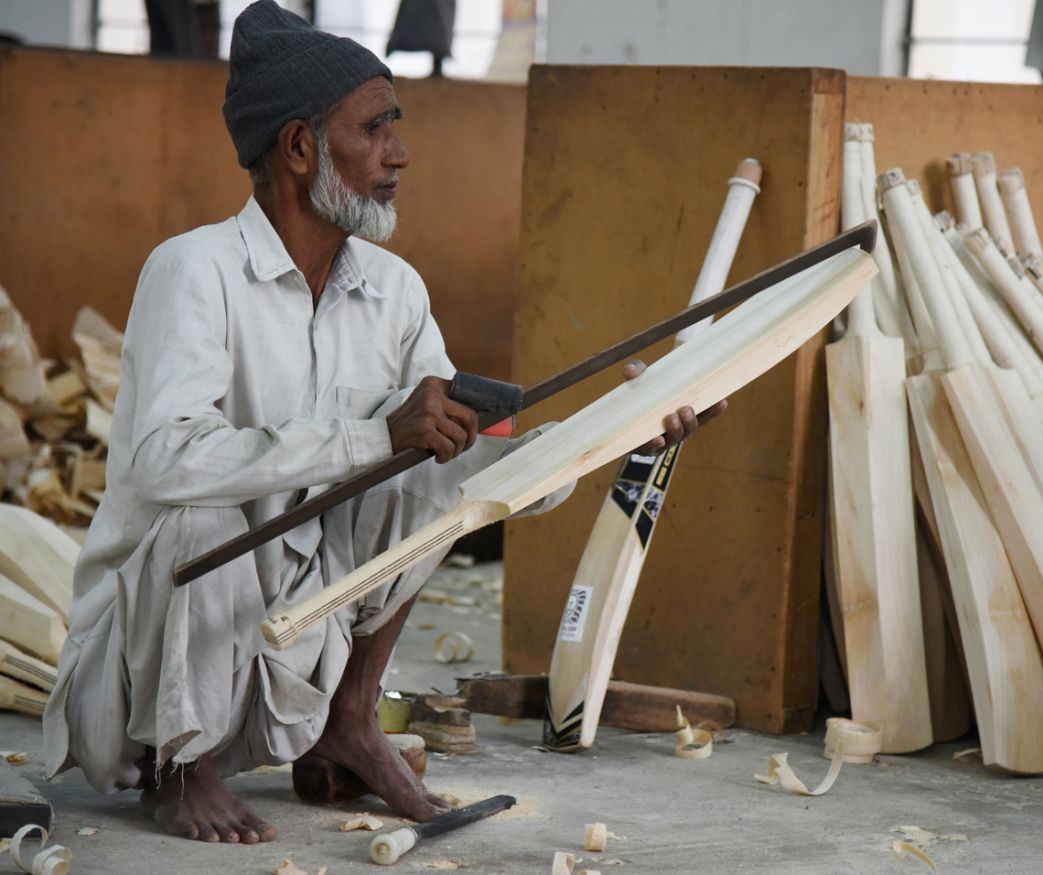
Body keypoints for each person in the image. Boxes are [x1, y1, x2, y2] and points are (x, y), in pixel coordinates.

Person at [42, 0, 724, 844]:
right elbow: (161, 462)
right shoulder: (194, 270)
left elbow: (470, 462)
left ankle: (349, 716)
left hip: (292, 649)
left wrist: (619, 428)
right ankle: (184, 771)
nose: (400, 153)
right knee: (204, 508)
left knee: (432, 463)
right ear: (299, 148)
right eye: (375, 129)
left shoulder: (395, 291)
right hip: (153, 679)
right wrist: (377, 435)